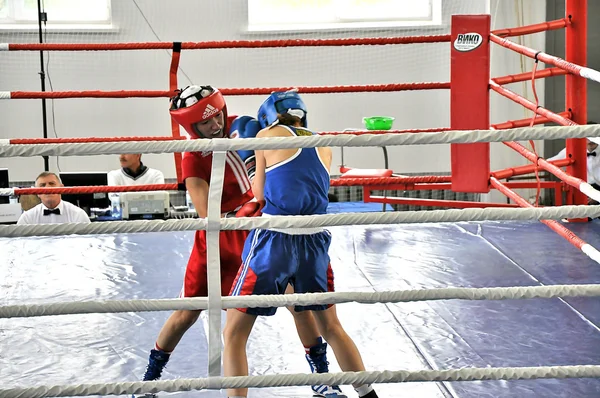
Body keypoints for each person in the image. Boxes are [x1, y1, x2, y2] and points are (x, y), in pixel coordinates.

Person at [136, 85, 339, 397]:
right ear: (192, 126)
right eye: (206, 123)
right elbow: (205, 212)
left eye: (217, 116)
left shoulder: (244, 128)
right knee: (188, 311)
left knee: (297, 302)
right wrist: (242, 210)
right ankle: (150, 379)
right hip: (217, 240)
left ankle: (323, 380)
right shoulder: (193, 156)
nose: (216, 124)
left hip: (256, 232)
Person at [223, 91, 378, 398]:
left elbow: (259, 195)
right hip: (315, 242)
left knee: (234, 333)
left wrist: (252, 161)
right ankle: (367, 395)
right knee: (331, 327)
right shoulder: (324, 144)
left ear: (268, 116)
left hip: (275, 239)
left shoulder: (266, 135)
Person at [17, 171, 90, 225]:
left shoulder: (78, 214)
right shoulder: (27, 218)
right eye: (42, 185)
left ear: (62, 188)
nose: (48, 188)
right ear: (37, 192)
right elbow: (19, 243)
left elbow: (88, 242)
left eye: (52, 184)